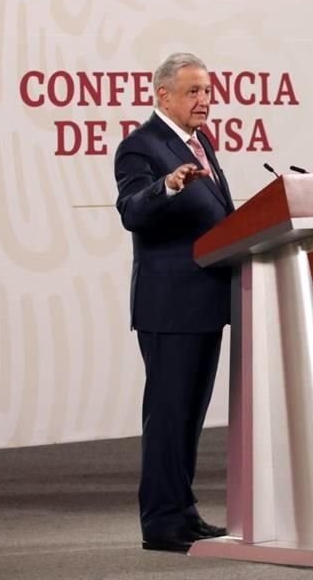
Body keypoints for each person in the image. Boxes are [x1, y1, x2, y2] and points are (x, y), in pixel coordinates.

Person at [115, 53, 233, 552]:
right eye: (193, 91)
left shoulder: (201, 141)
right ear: (162, 94)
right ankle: (160, 521)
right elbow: (131, 210)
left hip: (207, 300)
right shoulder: (140, 147)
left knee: (190, 414)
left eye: (207, 90)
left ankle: (183, 511)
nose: (204, 100)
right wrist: (166, 185)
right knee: (166, 414)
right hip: (169, 305)